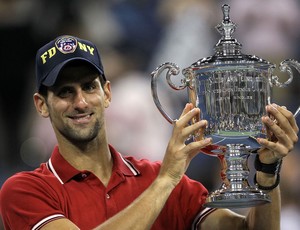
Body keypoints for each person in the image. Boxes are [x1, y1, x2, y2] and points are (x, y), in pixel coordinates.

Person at [0, 35, 298, 230]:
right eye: (65, 92)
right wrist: (166, 179)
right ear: (41, 105)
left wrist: (267, 172)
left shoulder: (160, 180)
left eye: (89, 87)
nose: (80, 102)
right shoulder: (24, 191)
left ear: (106, 93)